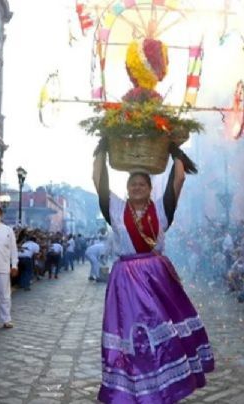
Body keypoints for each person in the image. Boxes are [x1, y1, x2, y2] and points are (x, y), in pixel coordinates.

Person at [93, 141, 214, 403]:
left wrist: (174, 151)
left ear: (150, 188)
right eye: (132, 184)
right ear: (126, 189)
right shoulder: (115, 209)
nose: (137, 187)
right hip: (125, 280)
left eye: (142, 184)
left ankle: (165, 383)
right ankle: (133, 384)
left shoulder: (161, 209)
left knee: (161, 328)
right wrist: (101, 150)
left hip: (156, 277)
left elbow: (178, 179)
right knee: (132, 331)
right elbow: (98, 181)